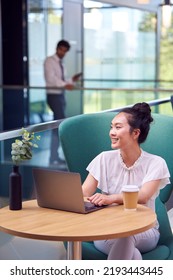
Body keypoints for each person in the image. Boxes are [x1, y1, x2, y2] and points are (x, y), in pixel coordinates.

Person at [82, 102, 170, 260]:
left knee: (127, 236)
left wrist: (111, 198)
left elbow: (143, 196)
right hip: (107, 228)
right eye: (111, 127)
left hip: (144, 230)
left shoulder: (156, 163)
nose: (111, 132)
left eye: (117, 127)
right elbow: (84, 193)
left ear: (135, 133)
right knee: (132, 255)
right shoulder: (103, 158)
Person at [44, 39, 81, 165]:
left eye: (65, 51)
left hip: (60, 95)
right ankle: (53, 156)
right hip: (53, 96)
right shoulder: (49, 61)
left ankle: (54, 156)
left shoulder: (61, 63)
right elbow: (51, 80)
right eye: (62, 50)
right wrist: (65, 84)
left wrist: (71, 80)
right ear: (57, 48)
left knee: (58, 125)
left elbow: (62, 80)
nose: (63, 53)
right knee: (59, 126)